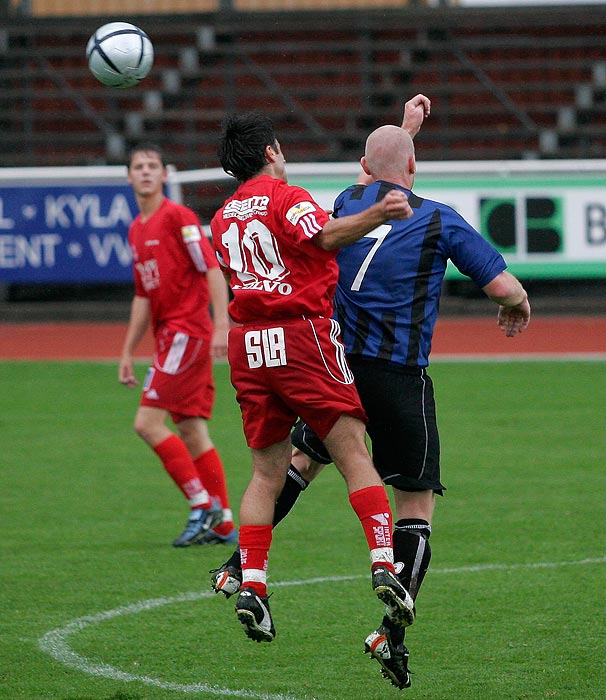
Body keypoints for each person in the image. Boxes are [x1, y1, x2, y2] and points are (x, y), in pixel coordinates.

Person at [211, 97, 531, 686]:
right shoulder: (435, 217)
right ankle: (391, 629)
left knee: (295, 463)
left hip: (321, 356)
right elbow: (502, 285)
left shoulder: (342, 200)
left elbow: (367, 185)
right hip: (392, 373)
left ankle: (244, 564)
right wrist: (517, 304)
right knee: (413, 501)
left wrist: (401, 135)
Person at [209, 110, 417, 644]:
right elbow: (324, 237)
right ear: (272, 151)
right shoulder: (287, 196)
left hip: (248, 344)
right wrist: (381, 213)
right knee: (352, 452)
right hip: (300, 335)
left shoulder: (222, 217)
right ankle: (384, 563)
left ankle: (252, 580)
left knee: (264, 472)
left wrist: (402, 133)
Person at [119, 143, 237, 548]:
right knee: (191, 428)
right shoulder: (137, 228)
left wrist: (221, 323)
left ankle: (201, 504)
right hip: (169, 337)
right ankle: (222, 522)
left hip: (187, 332)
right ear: (129, 177)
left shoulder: (178, 217)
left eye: (153, 165)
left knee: (147, 423)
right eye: (139, 166)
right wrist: (126, 351)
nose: (147, 171)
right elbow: (142, 295)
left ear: (164, 175)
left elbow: (211, 268)